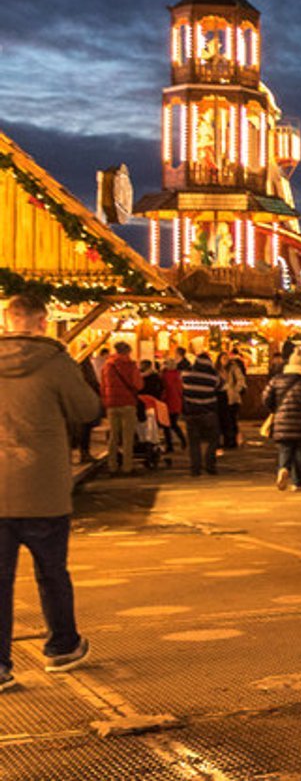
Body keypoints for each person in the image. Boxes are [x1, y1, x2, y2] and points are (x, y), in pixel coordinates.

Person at [0, 292, 102, 688]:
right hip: (43, 486)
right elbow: (86, 410)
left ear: (9, 321)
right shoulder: (56, 363)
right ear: (43, 322)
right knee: (52, 572)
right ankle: (62, 646)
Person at [263, 349, 301, 491]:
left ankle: (283, 468)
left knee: (285, 449)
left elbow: (265, 397)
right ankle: (297, 483)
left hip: (282, 420)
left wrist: (274, 409)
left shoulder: (277, 379)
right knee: (300, 452)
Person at [99, 341, 143, 475]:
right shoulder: (130, 365)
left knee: (113, 436)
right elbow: (138, 385)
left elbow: (102, 386)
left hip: (112, 404)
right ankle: (127, 466)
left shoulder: (107, 365)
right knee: (127, 437)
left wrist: (105, 400)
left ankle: (112, 465)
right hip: (128, 403)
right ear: (128, 351)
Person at [179, 349, 223, 476]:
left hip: (191, 412)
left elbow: (181, 386)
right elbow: (220, 387)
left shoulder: (186, 374)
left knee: (194, 442)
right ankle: (210, 464)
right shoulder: (213, 376)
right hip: (208, 412)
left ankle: (195, 468)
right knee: (214, 439)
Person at [217, 349, 248, 449]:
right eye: (223, 358)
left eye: (226, 358)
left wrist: (235, 390)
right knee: (223, 420)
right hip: (220, 397)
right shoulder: (216, 370)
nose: (225, 360)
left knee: (232, 420)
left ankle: (232, 441)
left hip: (232, 398)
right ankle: (225, 440)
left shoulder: (233, 368)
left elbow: (241, 380)